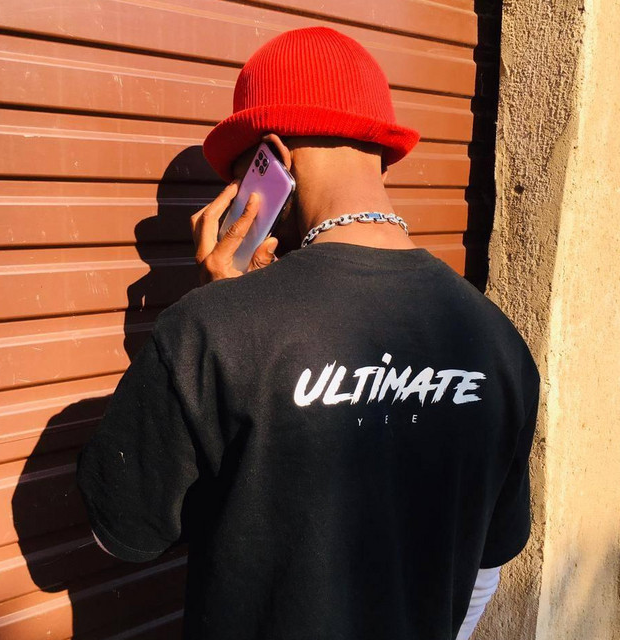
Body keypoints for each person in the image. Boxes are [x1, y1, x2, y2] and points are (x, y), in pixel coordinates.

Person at [76, 27, 541, 640]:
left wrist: (217, 310)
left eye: (240, 176)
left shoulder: (208, 328)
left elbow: (120, 531)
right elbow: (485, 568)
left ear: (273, 157)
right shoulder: (500, 343)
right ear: (380, 155)